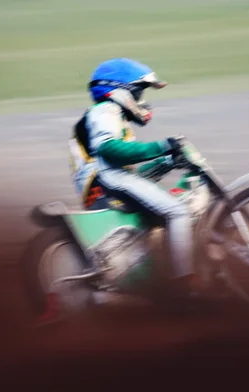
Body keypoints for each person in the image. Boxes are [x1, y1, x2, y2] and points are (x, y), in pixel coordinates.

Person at [68, 57, 194, 299]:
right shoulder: (105, 111)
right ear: (122, 91)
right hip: (106, 184)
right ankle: (185, 285)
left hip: (107, 183)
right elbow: (110, 150)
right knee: (177, 212)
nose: (142, 100)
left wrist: (168, 161)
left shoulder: (110, 116)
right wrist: (162, 146)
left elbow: (129, 167)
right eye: (139, 92)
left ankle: (159, 283)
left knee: (160, 218)